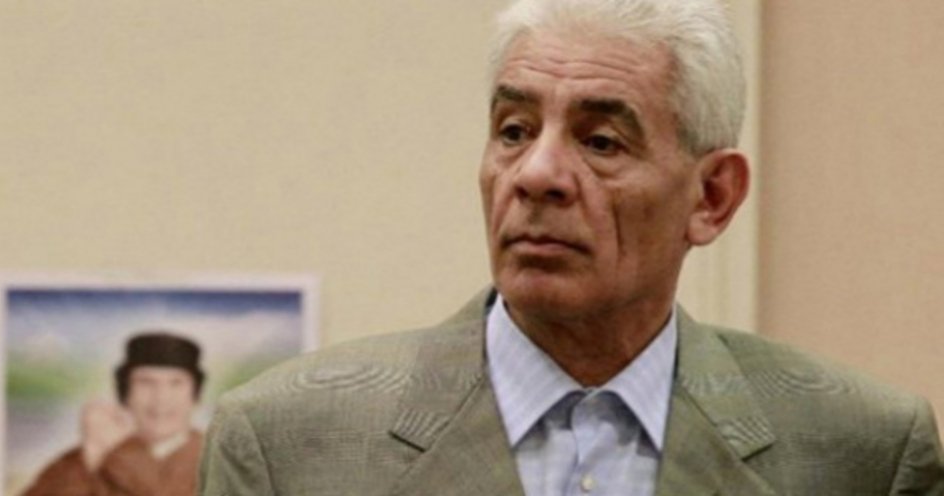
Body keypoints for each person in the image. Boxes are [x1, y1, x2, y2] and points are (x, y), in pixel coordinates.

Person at [200, 0, 944, 494]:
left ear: (711, 197)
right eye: (514, 131)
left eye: (600, 141)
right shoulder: (288, 444)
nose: (537, 174)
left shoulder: (860, 451)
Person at [24, 332, 205, 496]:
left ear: (195, 394)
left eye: (176, 383)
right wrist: (89, 458)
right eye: (146, 382)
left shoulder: (215, 460)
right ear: (125, 393)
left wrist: (115, 455)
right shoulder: (84, 457)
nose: (161, 398)